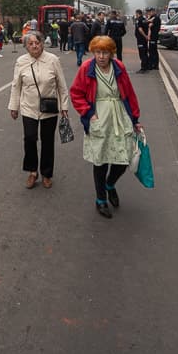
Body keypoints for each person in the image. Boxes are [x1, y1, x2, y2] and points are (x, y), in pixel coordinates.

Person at [69, 35, 143, 219]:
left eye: (105, 52)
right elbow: (76, 93)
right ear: (93, 52)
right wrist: (88, 113)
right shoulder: (87, 67)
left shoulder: (119, 67)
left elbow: (129, 93)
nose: (101, 56)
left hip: (119, 114)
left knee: (123, 158)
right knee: (100, 159)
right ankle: (100, 199)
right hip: (99, 116)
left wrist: (135, 118)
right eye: (98, 52)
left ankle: (110, 184)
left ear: (111, 53)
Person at [8, 30, 70, 189]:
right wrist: (13, 107)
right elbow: (16, 86)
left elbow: (62, 86)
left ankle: (47, 174)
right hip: (28, 107)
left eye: (37, 42)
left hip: (49, 107)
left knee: (48, 140)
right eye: (31, 43)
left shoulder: (52, 60)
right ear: (26, 46)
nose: (35, 46)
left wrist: (64, 107)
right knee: (29, 138)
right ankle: (32, 171)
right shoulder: (21, 61)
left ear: (42, 43)